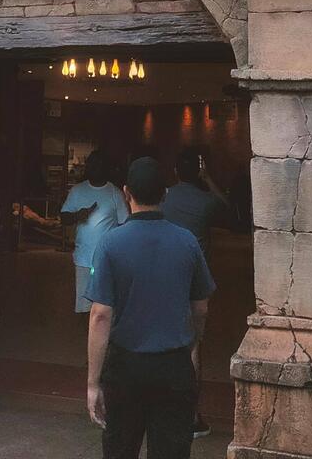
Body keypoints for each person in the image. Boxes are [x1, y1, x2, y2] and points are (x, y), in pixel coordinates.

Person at [86, 156, 214, 459]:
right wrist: (192, 341)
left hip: (125, 365)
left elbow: (100, 315)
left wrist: (93, 382)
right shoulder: (187, 241)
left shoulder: (110, 243)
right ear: (165, 194)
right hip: (173, 364)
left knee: (120, 448)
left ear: (126, 193)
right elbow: (201, 307)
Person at [162, 149, 231, 438]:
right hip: (195, 281)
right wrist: (209, 179)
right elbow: (229, 209)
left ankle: (161, 409)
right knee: (192, 345)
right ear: (198, 171)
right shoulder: (205, 201)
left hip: (165, 277)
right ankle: (190, 416)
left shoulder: (165, 197)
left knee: (162, 341)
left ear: (176, 171)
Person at [61, 150, 129, 314]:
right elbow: (63, 217)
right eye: (92, 165)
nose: (95, 169)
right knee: (84, 307)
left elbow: (124, 225)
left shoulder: (115, 193)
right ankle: (85, 331)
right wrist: (77, 215)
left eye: (99, 165)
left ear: (106, 168)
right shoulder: (77, 191)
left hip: (108, 260)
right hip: (84, 258)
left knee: (106, 306)